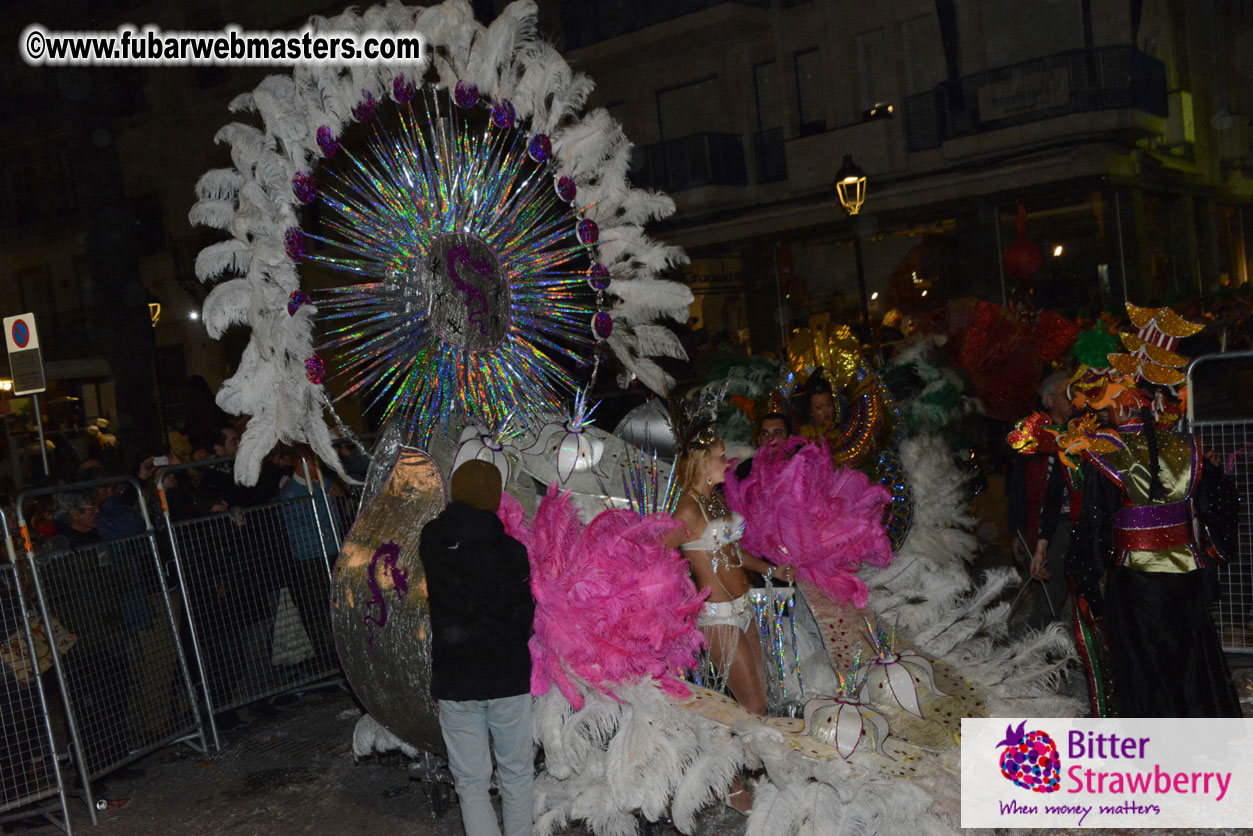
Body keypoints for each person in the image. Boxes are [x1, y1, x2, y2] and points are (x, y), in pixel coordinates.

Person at [1066, 379, 1242, 717]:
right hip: (1186, 574)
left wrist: (1086, 578)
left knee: (1145, 663)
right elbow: (1222, 500)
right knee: (1189, 659)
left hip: (1135, 578)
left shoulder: (1107, 455)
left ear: (1121, 406)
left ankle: (1155, 740)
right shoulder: (1185, 447)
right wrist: (1211, 549)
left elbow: (1095, 523)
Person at [420, 460, 535, 836]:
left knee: (470, 783)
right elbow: (525, 616)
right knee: (516, 773)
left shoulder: (432, 542)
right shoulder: (512, 552)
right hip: (506, 676)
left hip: (456, 678)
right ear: (494, 496)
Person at [1007, 371, 1078, 629]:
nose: (1074, 398)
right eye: (1067, 393)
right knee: (1049, 586)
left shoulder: (1082, 431)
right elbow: (1018, 487)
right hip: (1047, 523)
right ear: (1049, 400)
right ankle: (1040, 638)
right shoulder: (1033, 435)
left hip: (1078, 519)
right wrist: (1016, 529)